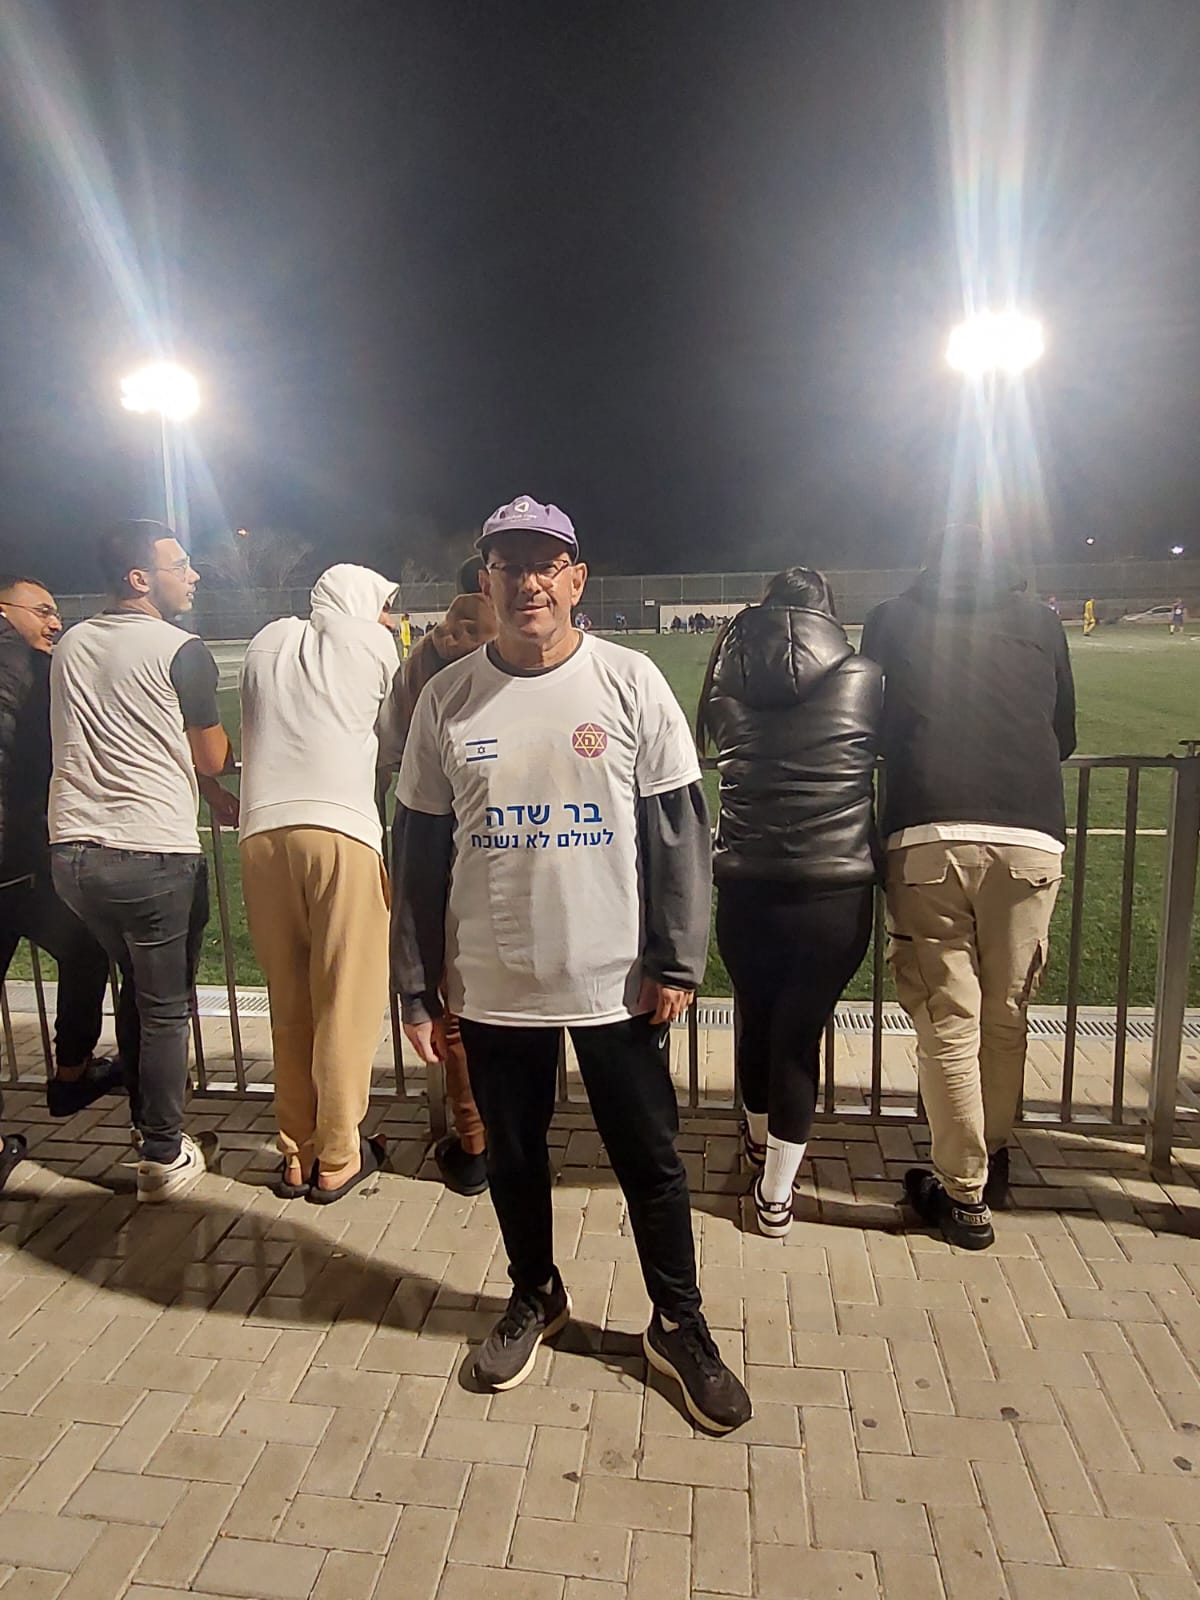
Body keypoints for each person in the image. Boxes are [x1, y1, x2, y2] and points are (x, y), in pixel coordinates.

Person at [393, 494, 750, 1433]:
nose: (528, 582)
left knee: (651, 1162)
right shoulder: (447, 698)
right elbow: (419, 854)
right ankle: (535, 1294)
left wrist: (676, 959)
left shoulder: (629, 681)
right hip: (493, 983)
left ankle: (677, 1322)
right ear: (486, 582)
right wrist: (417, 987)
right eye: (509, 566)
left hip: (616, 982)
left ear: (577, 579)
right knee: (515, 1156)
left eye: (545, 565)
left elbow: (678, 834)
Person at [861, 523, 1076, 1250]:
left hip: (928, 830)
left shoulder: (892, 619)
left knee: (949, 1020)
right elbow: (1063, 733)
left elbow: (870, 726)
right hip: (1030, 834)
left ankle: (965, 1193)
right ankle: (993, 1155)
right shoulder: (1041, 621)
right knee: (1006, 1014)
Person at [49, 521, 238, 1203]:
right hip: (151, 852)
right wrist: (227, 771)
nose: (193, 576)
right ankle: (161, 1154)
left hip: (73, 853)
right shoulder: (181, 648)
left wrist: (207, 792)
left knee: (137, 987)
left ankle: (146, 1123)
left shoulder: (72, 641)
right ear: (139, 578)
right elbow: (210, 753)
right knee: (163, 1008)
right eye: (180, 565)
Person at [697, 568, 881, 1238]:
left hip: (746, 886)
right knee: (798, 1040)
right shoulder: (865, 676)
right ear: (827, 614)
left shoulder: (725, 677)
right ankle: (775, 1195)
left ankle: (755, 1145)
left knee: (756, 1019)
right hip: (835, 891)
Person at [239, 565, 402, 1202]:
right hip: (341, 832)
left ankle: (295, 1152)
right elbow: (393, 738)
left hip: (260, 834)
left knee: (289, 1004)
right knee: (346, 1001)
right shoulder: (373, 643)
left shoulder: (266, 640)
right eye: (385, 605)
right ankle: (338, 1155)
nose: (390, 619)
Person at [0, 577, 126, 1127]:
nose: (55, 622)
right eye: (44, 611)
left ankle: (73, 1075)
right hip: (16, 860)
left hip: (18, 859)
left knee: (86, 948)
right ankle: (72, 1075)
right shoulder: (31, 668)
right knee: (88, 948)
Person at [390, 589, 498, 1196]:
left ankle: (475, 1143)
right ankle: (501, 1138)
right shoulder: (487, 673)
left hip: (440, 861)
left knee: (456, 1015)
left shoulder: (420, 671)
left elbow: (390, 745)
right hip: (488, 859)